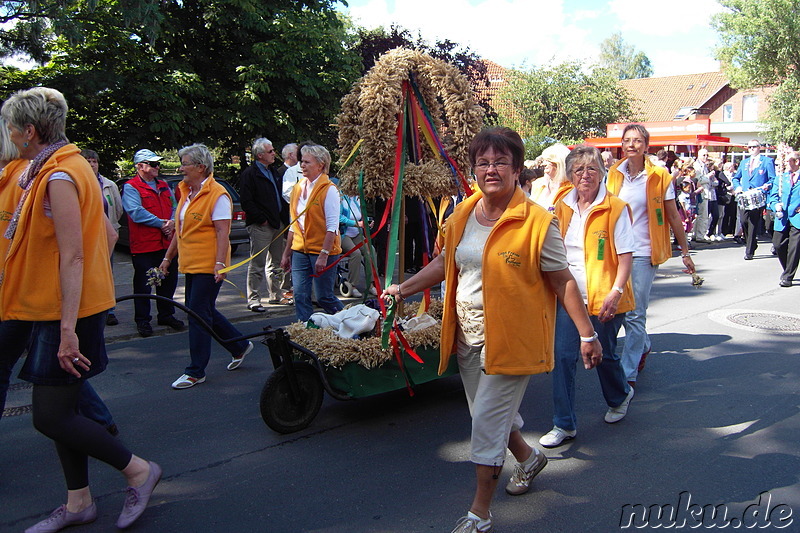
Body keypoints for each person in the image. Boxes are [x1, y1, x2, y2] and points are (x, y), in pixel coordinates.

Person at [382, 127, 603, 533]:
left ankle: (480, 512)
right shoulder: (463, 213)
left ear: (518, 169)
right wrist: (403, 288)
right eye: (483, 162)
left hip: (512, 340)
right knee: (485, 413)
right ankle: (530, 457)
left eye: (501, 161)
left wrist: (587, 334)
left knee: (485, 422)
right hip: (467, 335)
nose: (491, 169)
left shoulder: (537, 221)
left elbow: (563, 280)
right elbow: (444, 263)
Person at [1, 87, 160, 533]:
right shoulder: (51, 167)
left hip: (66, 311)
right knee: (61, 413)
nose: (8, 134)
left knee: (50, 415)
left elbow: (74, 256)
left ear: (29, 131)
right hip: (56, 306)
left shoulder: (59, 176)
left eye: (11, 126)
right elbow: (102, 236)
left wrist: (68, 328)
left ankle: (139, 471)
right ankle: (78, 504)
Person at [541, 145, 635, 448]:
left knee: (604, 354)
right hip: (569, 295)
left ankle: (619, 396)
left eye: (591, 169)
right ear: (570, 174)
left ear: (601, 172)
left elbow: (625, 256)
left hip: (605, 294)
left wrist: (616, 291)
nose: (585, 175)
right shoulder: (560, 202)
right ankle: (563, 423)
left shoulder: (616, 208)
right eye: (579, 169)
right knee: (564, 357)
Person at [606, 124, 695, 386]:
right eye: (626, 140)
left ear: (646, 145)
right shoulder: (613, 173)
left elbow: (673, 216)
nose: (631, 144)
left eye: (637, 140)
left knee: (635, 312)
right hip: (616, 252)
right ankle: (643, 344)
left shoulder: (658, 176)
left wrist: (685, 252)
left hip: (644, 252)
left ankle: (628, 373)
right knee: (618, 309)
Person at [160, 144, 253, 389]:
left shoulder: (218, 194)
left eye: (185, 163)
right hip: (189, 263)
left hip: (209, 264)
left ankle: (195, 370)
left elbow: (223, 233)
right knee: (201, 309)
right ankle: (239, 344)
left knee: (197, 314)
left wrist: (220, 265)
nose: (181, 168)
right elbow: (180, 232)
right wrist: (167, 259)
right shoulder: (185, 192)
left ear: (201, 167)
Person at [122, 148, 184, 337]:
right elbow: (136, 212)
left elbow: (175, 206)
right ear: (140, 166)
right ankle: (143, 320)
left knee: (168, 281)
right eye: (153, 164)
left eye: (158, 163)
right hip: (145, 245)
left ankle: (166, 314)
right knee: (144, 284)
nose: (158, 167)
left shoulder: (164, 185)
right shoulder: (131, 187)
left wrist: (172, 222)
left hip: (166, 244)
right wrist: (162, 223)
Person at [280, 144, 344, 323]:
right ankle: (306, 331)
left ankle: (350, 322)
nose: (302, 165)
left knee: (324, 297)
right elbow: (294, 223)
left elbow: (332, 227)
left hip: (322, 251)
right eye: (301, 161)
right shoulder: (298, 187)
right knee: (300, 295)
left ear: (321, 165)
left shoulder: (329, 189)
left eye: (307, 162)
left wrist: (323, 254)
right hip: (300, 250)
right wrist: (287, 253)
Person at [239, 137, 291, 312]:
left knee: (276, 263)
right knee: (257, 263)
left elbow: (281, 197)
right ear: (260, 155)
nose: (273, 154)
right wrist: (262, 218)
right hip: (261, 225)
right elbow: (246, 201)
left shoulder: (274, 172)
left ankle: (275, 294)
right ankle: (253, 298)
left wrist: (284, 221)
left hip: (277, 223)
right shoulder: (250, 174)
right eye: (270, 151)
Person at [82, 148, 124, 325]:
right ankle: (88, 308)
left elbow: (118, 209)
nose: (92, 165)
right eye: (88, 161)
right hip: (87, 238)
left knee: (107, 272)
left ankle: (109, 309)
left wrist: (111, 227)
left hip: (107, 236)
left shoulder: (109, 185)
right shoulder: (78, 182)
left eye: (95, 161)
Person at [732, 140, 776, 260]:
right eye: (749, 146)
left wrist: (767, 185)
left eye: (754, 146)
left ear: (759, 148)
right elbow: (736, 178)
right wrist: (738, 187)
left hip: (758, 196)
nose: (751, 148)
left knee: (753, 222)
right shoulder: (744, 162)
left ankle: (749, 251)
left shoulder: (767, 161)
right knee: (744, 221)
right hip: (745, 196)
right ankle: (752, 243)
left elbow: (773, 179)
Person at [768, 150, 800, 287]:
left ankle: (788, 277)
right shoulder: (781, 178)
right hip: (782, 217)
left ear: (797, 162)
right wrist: (776, 205)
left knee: (794, 247)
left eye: (788, 161)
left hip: (797, 217)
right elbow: (772, 197)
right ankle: (788, 269)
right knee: (778, 244)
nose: (785, 164)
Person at [340, 194, 376, 297]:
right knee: (356, 253)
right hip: (343, 235)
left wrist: (368, 221)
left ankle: (371, 284)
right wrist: (356, 223)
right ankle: (352, 285)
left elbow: (361, 216)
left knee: (371, 251)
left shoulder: (357, 198)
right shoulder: (340, 198)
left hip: (357, 234)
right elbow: (338, 218)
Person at [528, 143, 572, 211]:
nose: (543, 164)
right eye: (543, 160)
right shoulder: (538, 184)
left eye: (548, 160)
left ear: (559, 163)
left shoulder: (571, 188)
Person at [692, 149, 714, 243]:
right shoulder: (697, 165)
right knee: (702, 215)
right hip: (701, 192)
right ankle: (699, 235)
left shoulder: (704, 165)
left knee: (703, 215)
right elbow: (699, 179)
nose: (706, 157)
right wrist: (708, 176)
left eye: (707, 155)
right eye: (704, 155)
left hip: (705, 192)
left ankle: (698, 234)